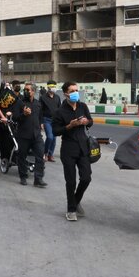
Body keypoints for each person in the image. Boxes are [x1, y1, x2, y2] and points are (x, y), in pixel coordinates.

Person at [52, 81, 94, 221]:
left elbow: (91, 121)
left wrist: (85, 122)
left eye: (76, 90)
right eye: (72, 91)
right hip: (68, 149)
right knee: (70, 181)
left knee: (86, 178)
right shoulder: (59, 111)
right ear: (65, 94)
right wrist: (70, 126)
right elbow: (55, 131)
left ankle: (75, 201)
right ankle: (71, 210)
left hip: (83, 148)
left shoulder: (82, 106)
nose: (75, 93)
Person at [15, 82, 47, 187]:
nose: (25, 91)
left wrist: (41, 123)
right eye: (25, 89)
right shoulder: (20, 103)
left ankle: (38, 179)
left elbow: (40, 116)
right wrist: (23, 114)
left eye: (28, 89)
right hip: (23, 135)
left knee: (40, 156)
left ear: (33, 91)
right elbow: (15, 118)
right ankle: (23, 177)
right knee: (22, 156)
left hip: (36, 135)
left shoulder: (38, 104)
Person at [0, 83, 21, 166]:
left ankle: (11, 157)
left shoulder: (14, 98)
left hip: (12, 124)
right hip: (3, 124)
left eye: (8, 86)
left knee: (12, 141)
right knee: (5, 142)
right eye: (5, 86)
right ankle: (5, 157)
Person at [40, 80, 61, 162]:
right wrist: (41, 122)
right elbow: (40, 111)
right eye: (52, 87)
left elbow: (60, 109)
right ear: (48, 87)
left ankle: (50, 155)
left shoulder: (57, 97)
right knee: (50, 137)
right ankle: (45, 153)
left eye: (54, 87)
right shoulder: (43, 98)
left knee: (54, 139)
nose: (53, 88)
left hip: (55, 121)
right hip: (46, 120)